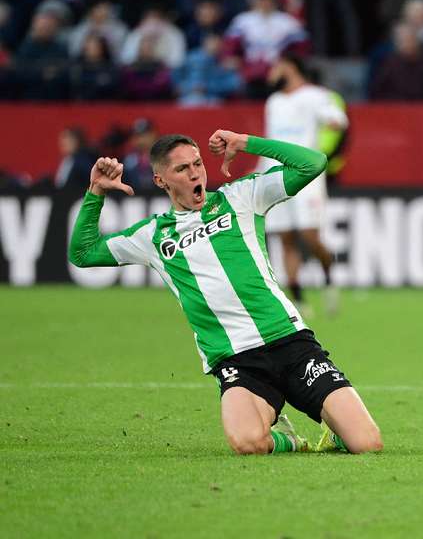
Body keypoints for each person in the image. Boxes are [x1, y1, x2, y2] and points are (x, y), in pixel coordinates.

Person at [68, 130, 382, 456]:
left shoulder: (241, 196)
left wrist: (246, 143)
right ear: (161, 181)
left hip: (290, 342)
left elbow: (312, 163)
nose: (194, 174)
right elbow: (83, 252)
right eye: (182, 169)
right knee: (248, 443)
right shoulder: (153, 235)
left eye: (197, 164)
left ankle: (336, 433)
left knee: (367, 443)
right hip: (237, 360)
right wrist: (96, 192)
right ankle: (289, 440)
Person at [260, 53, 348, 315]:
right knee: (285, 237)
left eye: (275, 67)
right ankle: (299, 301)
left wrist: (333, 121)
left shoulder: (315, 95)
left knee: (310, 235)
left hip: (306, 176)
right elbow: (270, 138)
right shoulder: (273, 102)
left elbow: (338, 118)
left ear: (289, 67)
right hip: (276, 175)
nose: (270, 74)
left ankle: (329, 278)